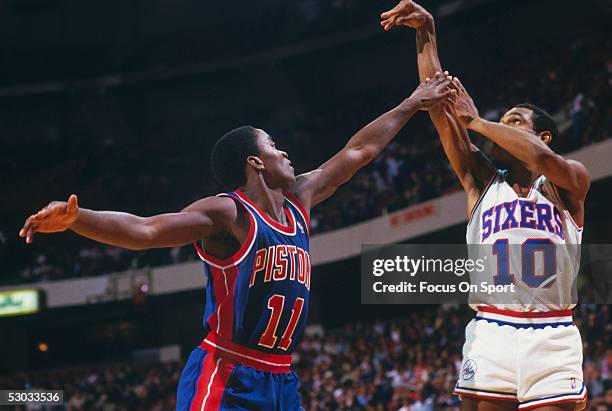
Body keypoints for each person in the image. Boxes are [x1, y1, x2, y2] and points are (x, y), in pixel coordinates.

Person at [19, 76, 453, 410]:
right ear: (254, 162)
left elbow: (359, 152)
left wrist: (412, 103)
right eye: (273, 146)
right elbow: (147, 230)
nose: (285, 153)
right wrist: (78, 218)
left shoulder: (298, 199)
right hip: (227, 373)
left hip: (281, 377)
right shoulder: (228, 213)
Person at [381, 1, 591, 410]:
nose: (503, 128)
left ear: (544, 136)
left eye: (514, 121)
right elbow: (441, 111)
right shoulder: (481, 181)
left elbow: (541, 160)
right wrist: (426, 34)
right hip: (492, 326)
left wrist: (476, 122)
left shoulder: (569, 181)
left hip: (553, 331)